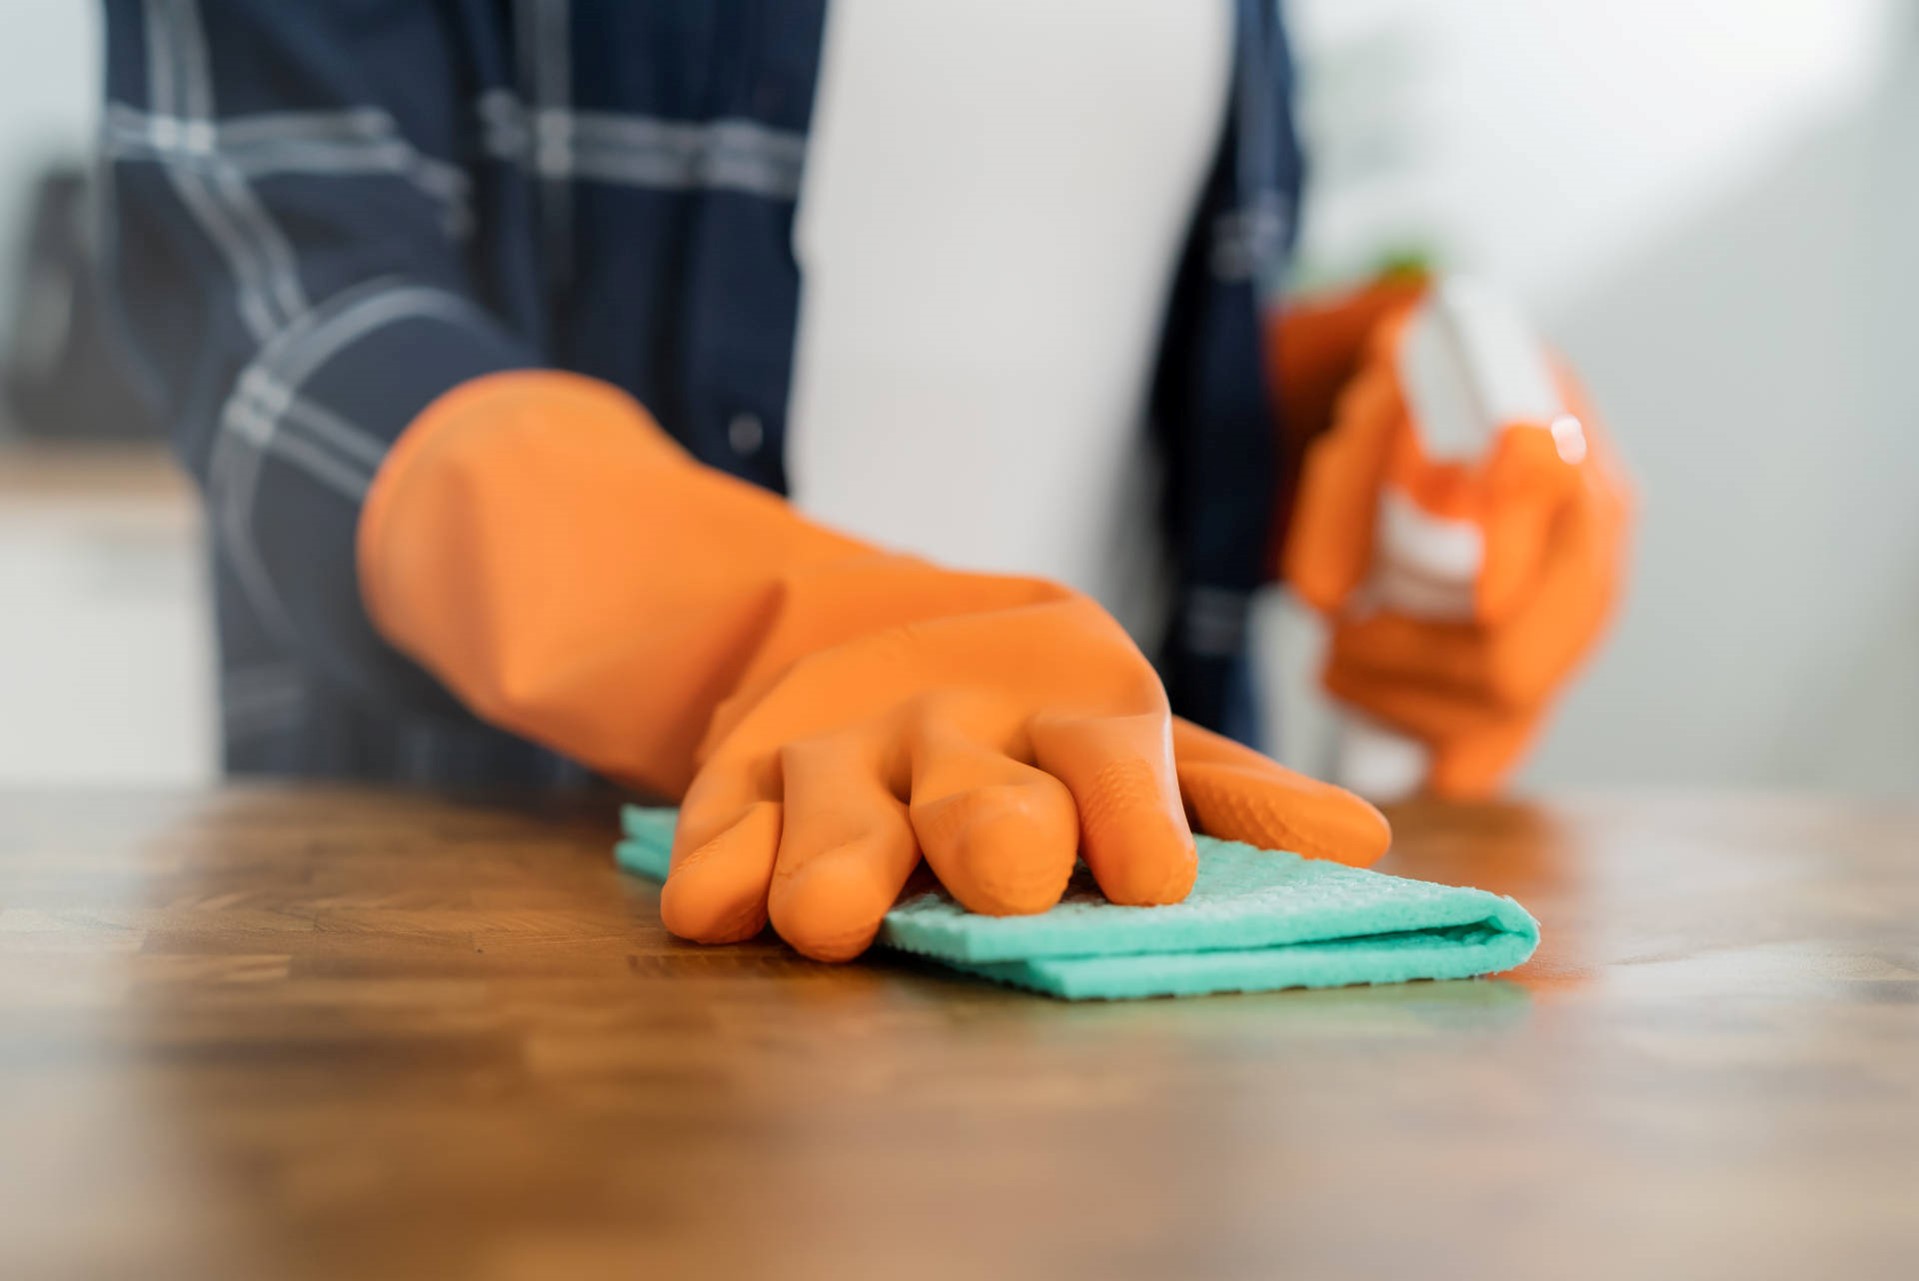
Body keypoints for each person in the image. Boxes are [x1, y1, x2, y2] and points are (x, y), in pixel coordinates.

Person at [99, 1, 1627, 961]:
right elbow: (295, 322)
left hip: (1119, 960)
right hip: (517, 1012)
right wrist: (776, 626)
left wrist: (1352, 418)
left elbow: (1050, 317)